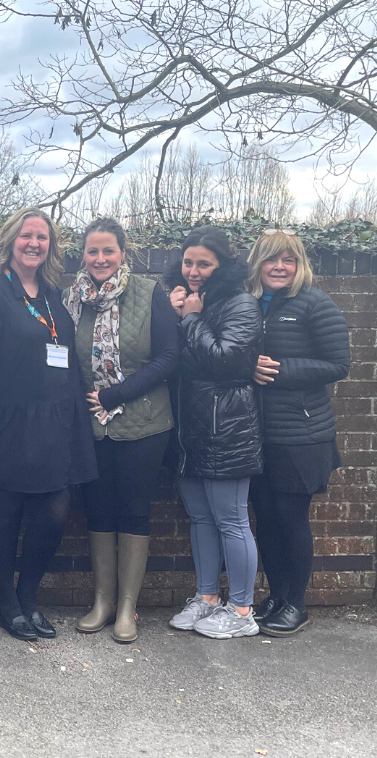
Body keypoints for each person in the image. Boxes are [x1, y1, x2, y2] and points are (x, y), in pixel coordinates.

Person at [0, 209, 97, 641]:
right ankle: (8, 605)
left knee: (52, 515)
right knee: (4, 517)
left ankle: (28, 597)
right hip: (6, 424)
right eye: (26, 236)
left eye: (42, 237)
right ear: (10, 241)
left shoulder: (54, 297)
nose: (34, 243)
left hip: (54, 424)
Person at [64, 218, 179, 642]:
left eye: (108, 251)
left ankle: (128, 607)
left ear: (122, 253)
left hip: (145, 422)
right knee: (97, 510)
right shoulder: (70, 298)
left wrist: (115, 395)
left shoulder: (149, 293)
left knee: (133, 509)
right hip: (91, 427)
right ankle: (103, 602)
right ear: (84, 255)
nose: (100, 259)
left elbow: (168, 357)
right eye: (92, 251)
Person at [247, 230, 351, 635]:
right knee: (267, 517)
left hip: (302, 435)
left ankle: (297, 603)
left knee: (291, 517)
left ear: (299, 264)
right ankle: (275, 594)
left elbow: (338, 364)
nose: (279, 267)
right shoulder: (251, 303)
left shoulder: (315, 303)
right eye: (272, 259)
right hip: (259, 432)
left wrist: (281, 371)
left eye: (288, 260)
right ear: (258, 263)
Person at [166, 226, 263, 639]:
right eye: (188, 262)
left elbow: (226, 360)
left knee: (232, 520)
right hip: (189, 431)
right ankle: (206, 600)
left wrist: (190, 319)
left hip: (228, 429)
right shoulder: (184, 301)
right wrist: (177, 315)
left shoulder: (240, 304)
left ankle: (242, 611)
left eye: (203, 263)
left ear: (221, 264)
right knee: (201, 518)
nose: (193, 270)